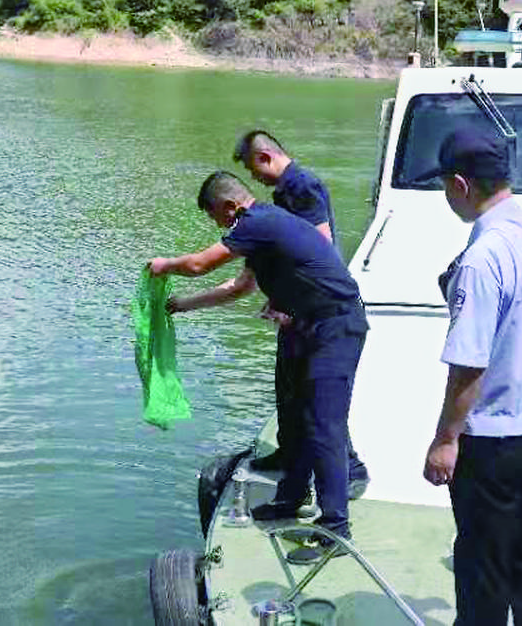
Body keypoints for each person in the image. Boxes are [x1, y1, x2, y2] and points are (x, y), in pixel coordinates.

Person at [149, 171, 368, 565]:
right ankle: (290, 499)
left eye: (217, 217)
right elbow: (239, 288)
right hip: (305, 324)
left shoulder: (258, 222)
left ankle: (336, 528)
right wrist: (182, 305)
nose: (218, 226)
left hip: (336, 326)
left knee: (323, 425)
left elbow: (200, 265)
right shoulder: (263, 230)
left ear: (231, 206)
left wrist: (164, 265)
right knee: (298, 419)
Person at [421, 129, 522, 625]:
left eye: (446, 187)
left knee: (481, 559)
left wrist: (445, 439)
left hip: (491, 440)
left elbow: (470, 361)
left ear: (460, 184)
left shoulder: (484, 256)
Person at [233, 130, 369, 498]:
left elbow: (319, 243)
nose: (253, 177)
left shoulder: (300, 186)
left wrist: (288, 294)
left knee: (318, 392)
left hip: (316, 307)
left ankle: (350, 467)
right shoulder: (285, 191)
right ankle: (290, 453)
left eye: (252, 168)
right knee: (290, 383)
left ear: (264, 158)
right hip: (299, 303)